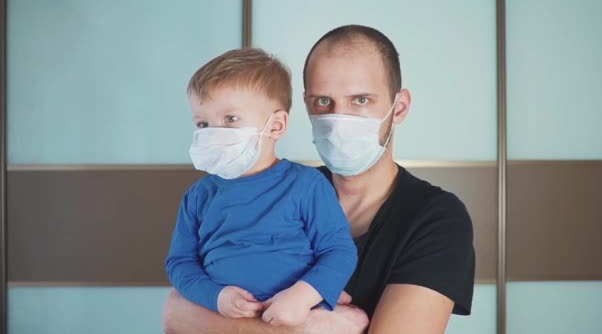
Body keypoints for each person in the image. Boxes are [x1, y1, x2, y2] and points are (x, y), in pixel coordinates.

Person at [163, 24, 475, 334]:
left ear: (400, 107)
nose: (340, 120)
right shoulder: (278, 189)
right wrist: (315, 328)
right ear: (306, 104)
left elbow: (189, 319)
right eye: (323, 101)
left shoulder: (436, 218)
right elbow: (175, 313)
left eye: (361, 100)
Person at [165, 47, 358, 327]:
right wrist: (215, 297)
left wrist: (303, 296)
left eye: (230, 119)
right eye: (203, 123)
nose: (213, 132)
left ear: (276, 125)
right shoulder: (199, 196)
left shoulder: (306, 185)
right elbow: (180, 263)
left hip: (295, 316)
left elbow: (338, 251)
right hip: (219, 320)